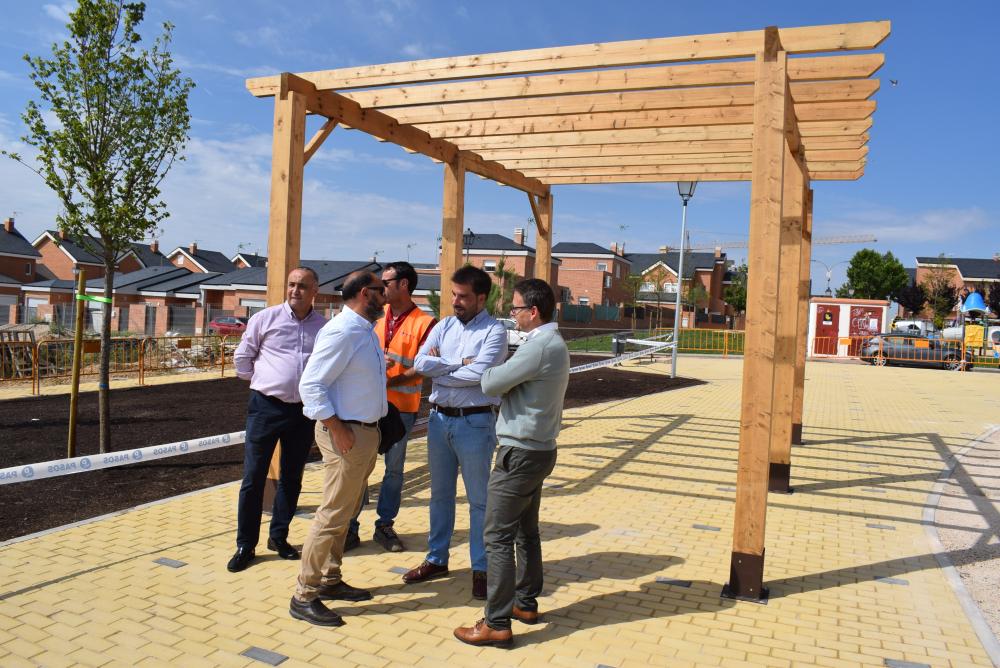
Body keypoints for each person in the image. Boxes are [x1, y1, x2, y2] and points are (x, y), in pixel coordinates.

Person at [454, 279, 569, 647]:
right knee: (524, 531)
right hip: (538, 450)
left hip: (519, 453)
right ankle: (524, 603)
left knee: (497, 536)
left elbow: (490, 382)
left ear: (533, 312)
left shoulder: (538, 347)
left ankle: (497, 622)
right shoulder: (551, 343)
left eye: (516, 308)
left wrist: (483, 366)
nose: (512, 314)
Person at [289, 271, 388, 627]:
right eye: (380, 290)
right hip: (346, 434)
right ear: (365, 293)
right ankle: (304, 595)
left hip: (363, 434)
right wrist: (337, 428)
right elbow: (311, 385)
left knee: (345, 512)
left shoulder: (364, 330)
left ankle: (330, 578)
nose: (386, 295)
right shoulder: (343, 331)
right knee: (332, 514)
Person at [402, 266, 506, 600]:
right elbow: (420, 363)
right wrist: (459, 364)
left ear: (481, 298)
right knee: (440, 496)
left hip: (475, 423)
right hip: (438, 422)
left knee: (479, 501)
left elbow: (481, 374)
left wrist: (441, 367)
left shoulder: (494, 331)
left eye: (463, 296)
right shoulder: (443, 325)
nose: (455, 301)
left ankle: (481, 568)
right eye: (453, 294)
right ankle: (437, 559)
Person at [228, 267, 326, 573]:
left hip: (302, 412)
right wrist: (264, 382)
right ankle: (246, 545)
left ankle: (279, 537)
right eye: (291, 284)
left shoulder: (323, 327)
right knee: (253, 477)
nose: (295, 290)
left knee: (292, 477)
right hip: (266, 407)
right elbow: (242, 358)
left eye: (302, 286)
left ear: (315, 291)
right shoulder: (264, 319)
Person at [346, 261, 436, 552]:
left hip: (401, 409)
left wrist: (388, 381)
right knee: (359, 468)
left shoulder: (425, 323)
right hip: (366, 404)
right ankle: (350, 527)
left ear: (404, 284)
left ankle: (384, 526)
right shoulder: (374, 314)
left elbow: (424, 367)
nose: (380, 288)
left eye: (385, 282)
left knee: (393, 471)